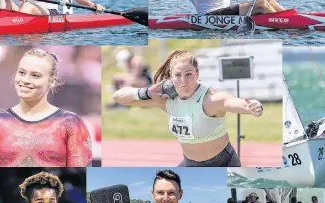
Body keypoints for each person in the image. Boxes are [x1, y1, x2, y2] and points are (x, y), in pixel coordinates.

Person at [0, 48, 93, 167]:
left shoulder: (70, 122)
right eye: (22, 72)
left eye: (35, 75)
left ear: (51, 81)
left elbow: (82, 170)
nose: (25, 80)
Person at [112, 50, 264, 167]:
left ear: (197, 74)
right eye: (178, 75)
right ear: (171, 76)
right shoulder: (166, 101)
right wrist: (146, 92)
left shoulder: (210, 99)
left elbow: (232, 102)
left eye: (189, 74)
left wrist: (252, 107)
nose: (184, 82)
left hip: (223, 164)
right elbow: (119, 97)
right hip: (190, 165)